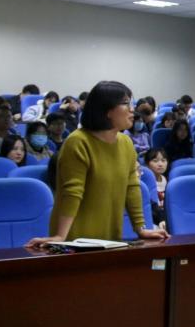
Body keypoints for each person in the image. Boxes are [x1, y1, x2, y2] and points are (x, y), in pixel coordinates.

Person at [26, 81, 169, 247]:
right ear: (106, 110)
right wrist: (59, 236)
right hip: (75, 240)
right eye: (125, 103)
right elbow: (71, 192)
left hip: (110, 238)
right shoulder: (78, 142)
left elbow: (132, 188)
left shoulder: (126, 143)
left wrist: (141, 229)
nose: (132, 109)